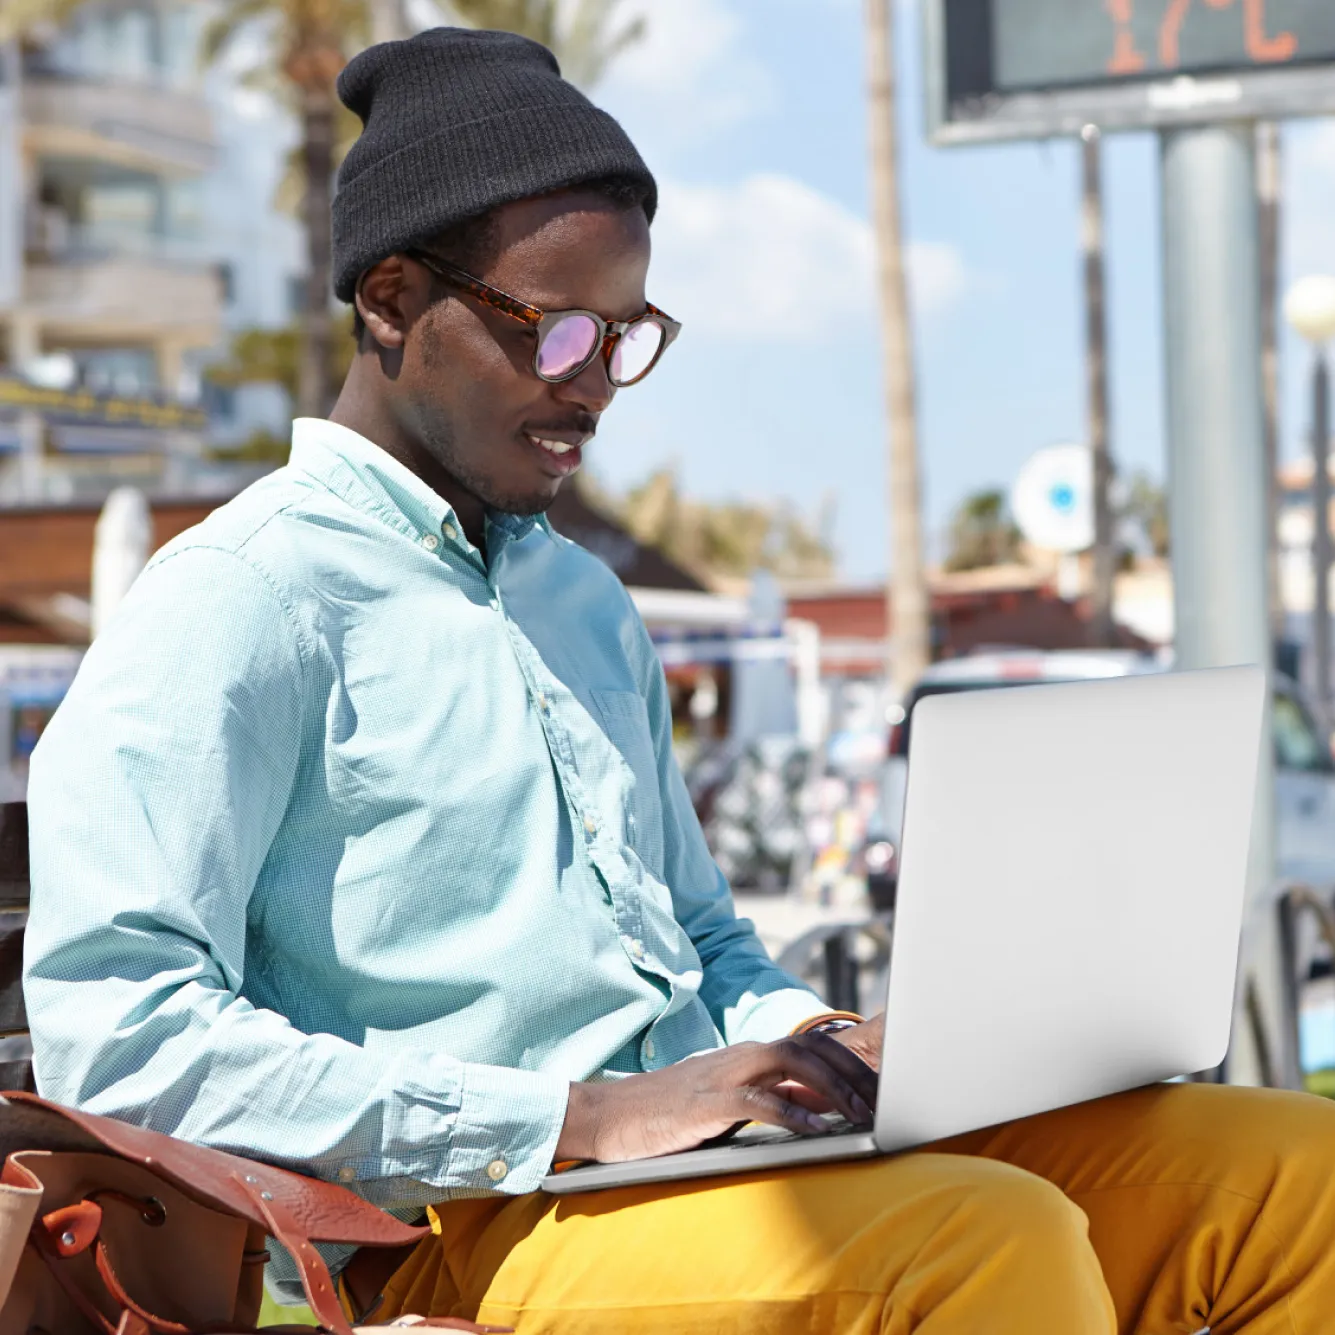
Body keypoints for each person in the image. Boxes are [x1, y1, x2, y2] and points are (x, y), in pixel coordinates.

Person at [23, 27, 1335, 1334]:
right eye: (557, 333)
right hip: (455, 1221)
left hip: (712, 1156)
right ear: (388, 300)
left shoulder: (582, 604)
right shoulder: (241, 598)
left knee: (1291, 1179)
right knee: (986, 1244)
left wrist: (825, 1047)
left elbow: (700, 940)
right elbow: (117, 1031)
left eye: (626, 334)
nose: (593, 387)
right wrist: (581, 1115)